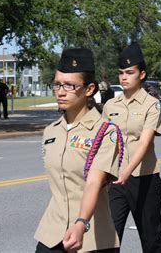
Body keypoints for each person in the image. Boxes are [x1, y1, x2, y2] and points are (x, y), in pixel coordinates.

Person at [35, 48, 121, 253]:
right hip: (52, 233)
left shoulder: (105, 132)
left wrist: (81, 223)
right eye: (57, 84)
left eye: (70, 85)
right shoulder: (51, 131)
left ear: (89, 89)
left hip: (91, 238)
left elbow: (94, 182)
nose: (61, 92)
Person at [103, 44, 161, 253]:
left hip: (144, 178)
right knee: (109, 238)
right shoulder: (111, 106)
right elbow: (104, 143)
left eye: (130, 73)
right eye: (121, 73)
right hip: (116, 181)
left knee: (151, 239)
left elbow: (145, 143)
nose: (124, 77)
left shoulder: (152, 104)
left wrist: (127, 171)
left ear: (142, 74)